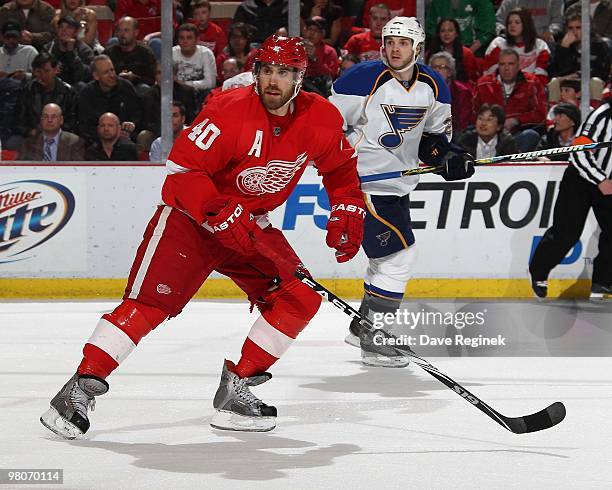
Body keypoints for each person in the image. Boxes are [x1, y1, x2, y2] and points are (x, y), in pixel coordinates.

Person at [40, 35, 365, 437]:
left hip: (249, 225)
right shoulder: (227, 111)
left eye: (284, 72)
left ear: (300, 77)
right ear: (256, 72)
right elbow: (181, 173)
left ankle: (237, 388)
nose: (273, 81)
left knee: (299, 298)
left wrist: (348, 207)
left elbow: (339, 170)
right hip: (191, 220)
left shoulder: (321, 118)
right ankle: (79, 387)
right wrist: (216, 210)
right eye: (266, 71)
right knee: (149, 305)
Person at [330, 17, 475, 367]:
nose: (395, 48)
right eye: (390, 41)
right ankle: (374, 337)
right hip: (363, 183)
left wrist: (450, 159)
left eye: (403, 42)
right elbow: (328, 128)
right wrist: (342, 169)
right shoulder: (360, 79)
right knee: (399, 258)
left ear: (417, 48)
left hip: (397, 185)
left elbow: (431, 141)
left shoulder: (434, 85)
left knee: (386, 259)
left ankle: (362, 325)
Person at [529, 98, 612, 300]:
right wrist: (600, 179)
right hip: (581, 179)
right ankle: (539, 271)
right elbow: (579, 152)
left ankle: (602, 282)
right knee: (566, 231)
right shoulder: (602, 114)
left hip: (608, 183)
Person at [473, 48, 547, 152]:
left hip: (518, 134)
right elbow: (474, 113)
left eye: (510, 64)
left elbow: (541, 114)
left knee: (530, 135)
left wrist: (517, 120)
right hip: (487, 135)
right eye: (502, 64)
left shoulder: (532, 83)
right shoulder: (483, 84)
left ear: (518, 66)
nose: (506, 68)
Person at [76, 55, 142, 144]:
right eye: (106, 72)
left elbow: (138, 112)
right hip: (98, 142)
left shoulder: (126, 87)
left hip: (126, 138)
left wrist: (132, 123)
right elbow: (85, 127)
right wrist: (108, 135)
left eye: (112, 70)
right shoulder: (86, 94)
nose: (112, 75)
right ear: (96, 76)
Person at [484, 7, 550, 85]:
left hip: (530, 89)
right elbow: (489, 73)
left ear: (526, 24)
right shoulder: (498, 43)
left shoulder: (540, 45)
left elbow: (541, 77)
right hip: (501, 88)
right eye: (509, 22)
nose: (512, 25)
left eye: (517, 22)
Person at [16, 52, 77, 137]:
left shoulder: (68, 92)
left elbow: (71, 122)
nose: (43, 75)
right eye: (38, 71)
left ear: (56, 70)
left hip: (59, 135)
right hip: (33, 135)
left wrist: (52, 131)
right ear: (33, 71)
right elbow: (19, 121)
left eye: (47, 71)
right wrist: (30, 131)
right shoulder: (27, 90)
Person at [548, 11, 611, 81]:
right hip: (567, 85)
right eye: (570, 28)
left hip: (592, 84)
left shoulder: (600, 45)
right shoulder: (563, 45)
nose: (574, 31)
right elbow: (554, 72)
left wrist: (577, 75)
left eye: (578, 27)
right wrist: (564, 48)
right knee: (554, 82)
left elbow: (602, 72)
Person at [103, 16, 157, 92]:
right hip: (114, 89)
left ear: (136, 32)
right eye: (119, 30)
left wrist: (135, 78)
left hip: (137, 89)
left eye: (126, 30)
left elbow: (151, 79)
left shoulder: (145, 53)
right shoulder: (109, 52)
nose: (122, 34)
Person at [425, 0, 495, 56]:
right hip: (442, 52)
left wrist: (468, 53)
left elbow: (488, 32)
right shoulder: (437, 2)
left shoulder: (483, 2)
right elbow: (431, 29)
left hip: (473, 51)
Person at [19, 102, 84, 160]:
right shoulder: (28, 143)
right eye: (46, 116)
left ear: (61, 120)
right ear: (41, 120)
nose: (49, 120)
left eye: (54, 116)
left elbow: (78, 170)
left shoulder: (74, 141)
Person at [429, 51, 473, 135]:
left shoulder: (462, 92)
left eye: (442, 67)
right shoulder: (423, 91)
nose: (437, 70)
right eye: (434, 67)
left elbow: (462, 124)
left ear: (450, 72)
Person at [425, 17, 480, 84]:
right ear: (438, 34)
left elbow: (472, 79)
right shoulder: (431, 53)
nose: (446, 34)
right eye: (442, 31)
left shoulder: (466, 53)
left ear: (456, 33)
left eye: (450, 30)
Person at [44, 14, 94, 87]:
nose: (63, 30)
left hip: (75, 87)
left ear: (75, 32)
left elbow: (85, 76)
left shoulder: (85, 50)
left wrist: (71, 53)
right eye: (61, 27)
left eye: (69, 27)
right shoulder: (48, 48)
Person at [172, 23, 217, 98]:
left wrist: (184, 84)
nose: (185, 41)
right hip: (178, 94)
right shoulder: (172, 53)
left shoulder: (206, 54)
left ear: (197, 40)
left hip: (200, 94)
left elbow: (210, 83)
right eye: (181, 38)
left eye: (189, 38)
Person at [495, 0, 563, 43]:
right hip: (514, 41)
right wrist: (504, 31)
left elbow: (558, 21)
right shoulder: (509, 1)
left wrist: (550, 31)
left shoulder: (555, 1)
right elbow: (498, 22)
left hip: (543, 39)